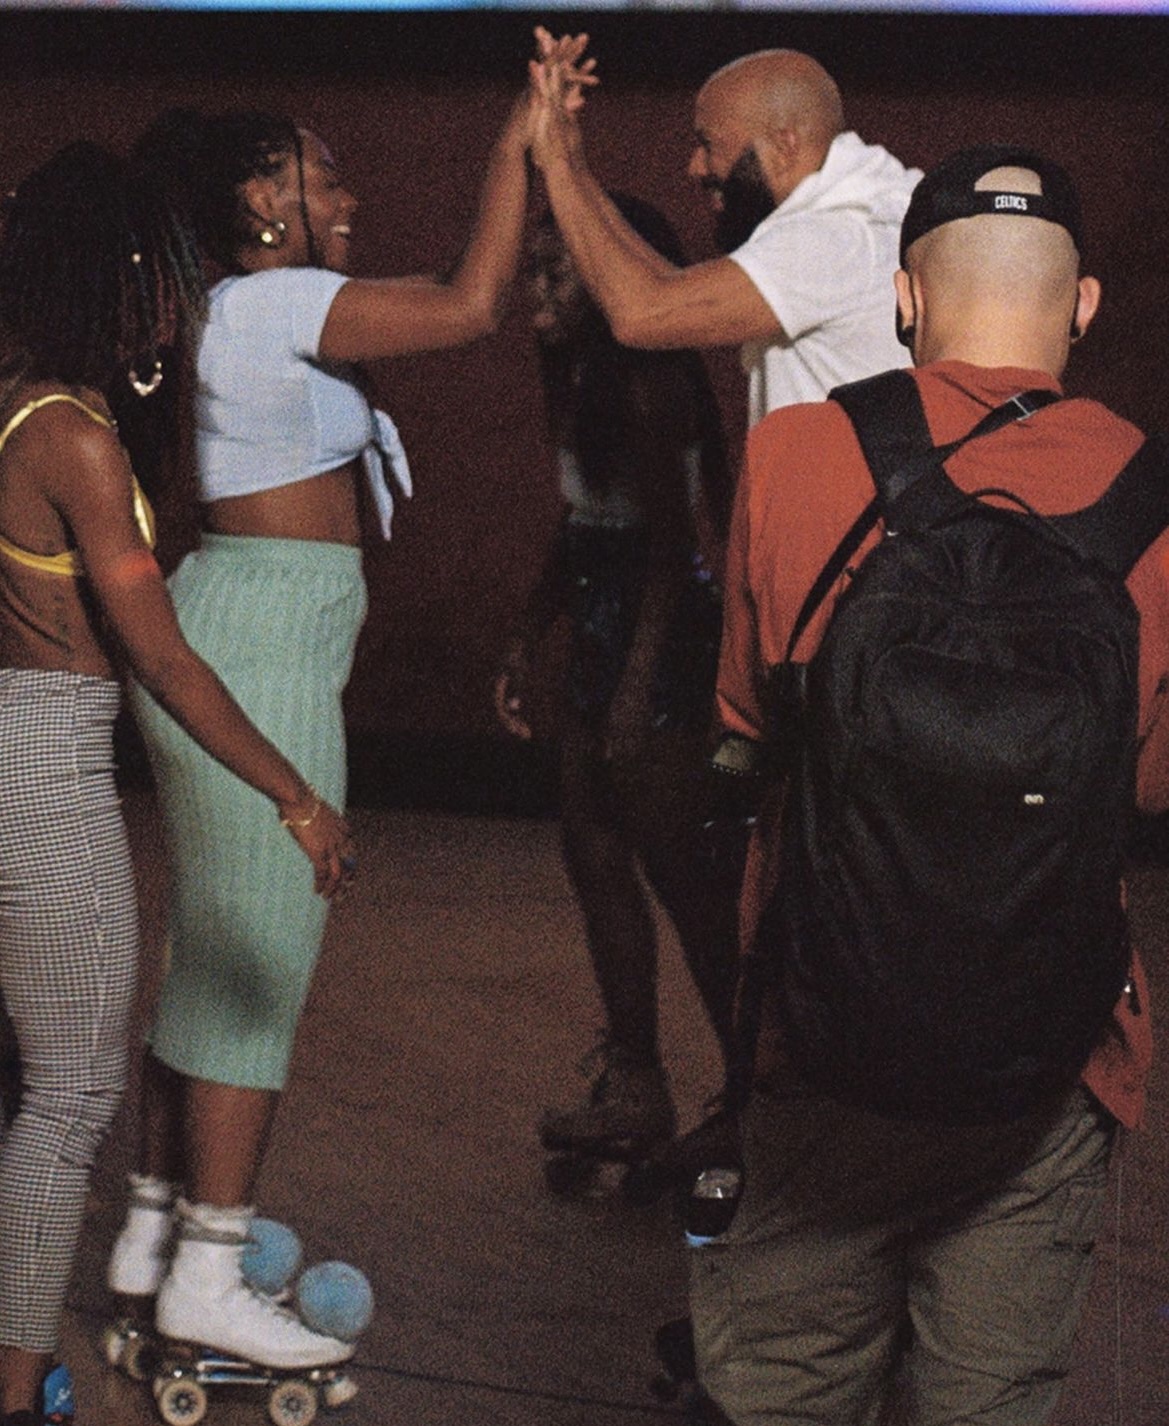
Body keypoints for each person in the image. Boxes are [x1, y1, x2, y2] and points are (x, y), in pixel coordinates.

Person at [690, 146, 1169, 1425]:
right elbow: (1145, 785)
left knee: (783, 1384)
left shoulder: (792, 453)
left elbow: (742, 725)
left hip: (821, 1030)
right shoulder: (1153, 497)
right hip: (1053, 1052)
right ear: (1081, 305)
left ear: (902, 297)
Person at [103, 62, 571, 1367]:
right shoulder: (271, 302)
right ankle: (208, 1271)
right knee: (262, 967)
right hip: (260, 639)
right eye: (324, 176)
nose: (348, 197)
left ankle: (153, 1235)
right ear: (264, 201)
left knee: (215, 955)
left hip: (244, 617)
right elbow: (470, 301)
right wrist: (516, 147)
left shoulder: (232, 306)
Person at [0, 142, 352, 1426]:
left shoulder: (13, 406)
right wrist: (293, 795)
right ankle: (15, 1384)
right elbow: (161, 651)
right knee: (70, 1093)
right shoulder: (74, 436)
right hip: (42, 762)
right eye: (167, 271)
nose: (184, 297)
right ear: (117, 272)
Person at [494, 198, 739, 1174]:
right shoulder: (581, 376)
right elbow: (583, 522)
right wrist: (527, 632)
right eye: (534, 270)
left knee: (686, 880)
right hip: (610, 635)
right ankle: (636, 1082)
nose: (533, 290)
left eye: (555, 273)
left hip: (660, 641)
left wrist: (636, 690)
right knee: (592, 850)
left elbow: (673, 552)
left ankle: (752, 1095)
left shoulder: (646, 384)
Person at [528, 35, 921, 425]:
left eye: (709, 144)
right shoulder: (864, 215)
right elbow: (667, 290)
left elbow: (642, 312)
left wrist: (556, 161)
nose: (696, 166)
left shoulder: (836, 238)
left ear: (784, 146)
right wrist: (572, 159)